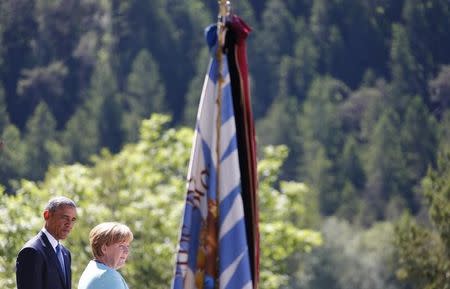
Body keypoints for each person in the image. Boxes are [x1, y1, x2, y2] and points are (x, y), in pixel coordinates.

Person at [16, 196, 78, 289]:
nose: (69, 224)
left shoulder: (65, 253)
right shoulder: (31, 251)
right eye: (65, 217)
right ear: (47, 215)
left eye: (73, 219)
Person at [78, 222, 133, 289]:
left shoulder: (93, 270)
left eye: (127, 246)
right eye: (121, 246)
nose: (126, 251)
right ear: (104, 249)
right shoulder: (108, 275)